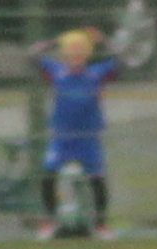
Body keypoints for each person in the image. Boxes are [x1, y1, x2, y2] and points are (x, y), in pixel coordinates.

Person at [32, 27, 117, 237]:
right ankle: (50, 223)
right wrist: (55, 40)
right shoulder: (56, 71)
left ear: (87, 54)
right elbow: (32, 55)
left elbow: (122, 61)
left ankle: (100, 225)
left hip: (88, 138)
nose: (76, 56)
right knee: (48, 176)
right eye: (71, 51)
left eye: (80, 51)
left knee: (97, 179)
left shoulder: (96, 73)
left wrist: (104, 41)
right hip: (62, 138)